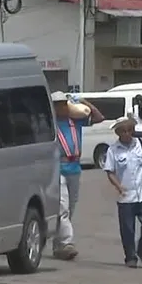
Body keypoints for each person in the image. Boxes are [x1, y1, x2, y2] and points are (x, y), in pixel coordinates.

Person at [52, 91, 105, 260]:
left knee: (71, 208)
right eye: (58, 105)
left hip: (75, 168)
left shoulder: (75, 121)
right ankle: (67, 243)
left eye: (63, 104)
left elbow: (99, 117)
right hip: (58, 168)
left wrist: (83, 101)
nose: (61, 107)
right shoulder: (50, 123)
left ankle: (58, 244)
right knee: (63, 207)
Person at [103, 117, 142, 268]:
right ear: (118, 133)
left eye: (129, 130)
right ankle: (130, 257)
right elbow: (109, 172)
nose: (127, 134)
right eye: (123, 131)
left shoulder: (140, 144)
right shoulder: (113, 150)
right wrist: (118, 186)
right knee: (127, 229)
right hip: (126, 196)